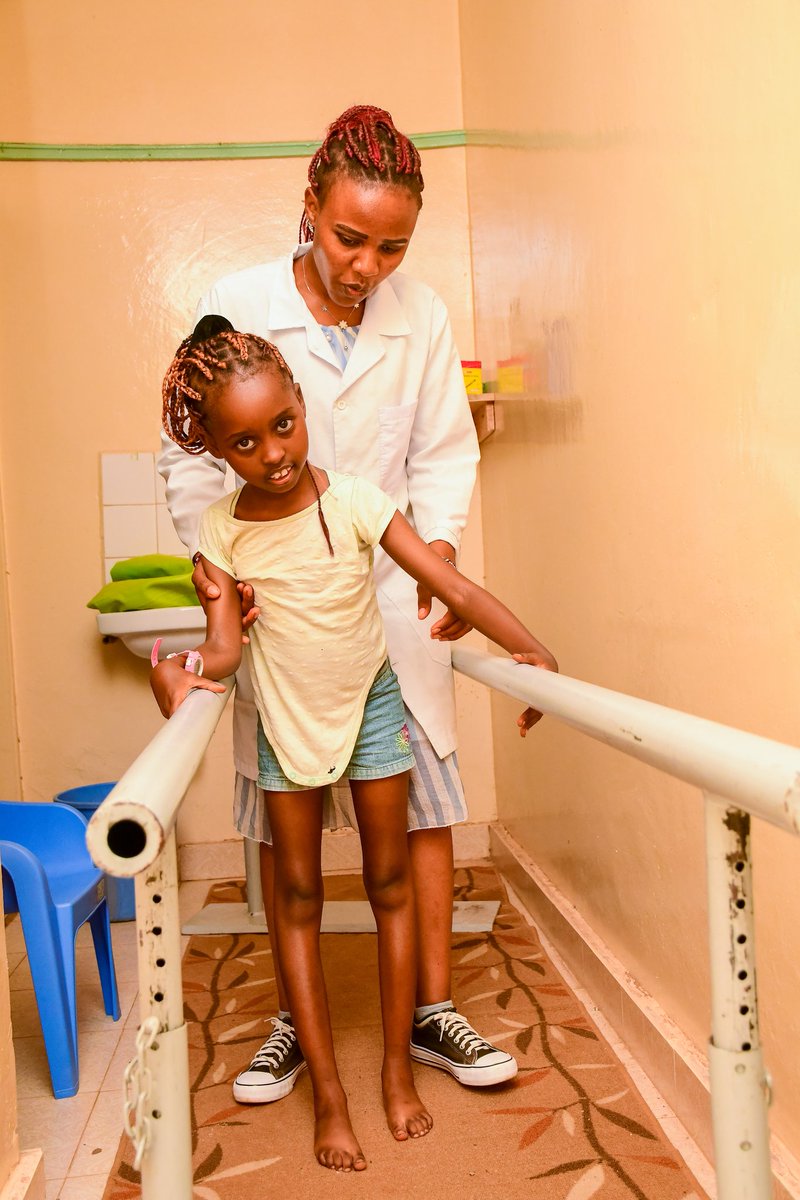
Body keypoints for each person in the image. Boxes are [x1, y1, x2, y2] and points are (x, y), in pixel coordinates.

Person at [157, 103, 517, 1106]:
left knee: (424, 814)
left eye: (391, 246)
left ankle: (431, 1010)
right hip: (280, 612)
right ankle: (290, 1019)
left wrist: (435, 551)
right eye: (348, 237)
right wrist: (216, 570)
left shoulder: (423, 315)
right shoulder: (235, 303)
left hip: (392, 599)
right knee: (285, 828)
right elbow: (189, 460)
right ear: (308, 205)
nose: (366, 266)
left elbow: (444, 451)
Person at [152, 318, 558, 1171]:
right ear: (221, 452)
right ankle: (329, 1094)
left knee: (388, 883)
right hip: (283, 719)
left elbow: (446, 580)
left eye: (283, 425)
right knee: (295, 895)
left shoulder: (358, 502)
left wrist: (531, 648)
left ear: (302, 403)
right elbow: (223, 652)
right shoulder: (219, 539)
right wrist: (177, 675)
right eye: (246, 442)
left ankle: (394, 1075)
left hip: (373, 706)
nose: (273, 453)